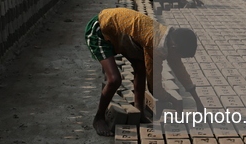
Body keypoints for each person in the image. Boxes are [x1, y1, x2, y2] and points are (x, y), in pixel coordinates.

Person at [84, 8, 203, 136]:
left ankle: (139, 111)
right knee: (115, 79)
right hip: (100, 29)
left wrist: (198, 101)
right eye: (180, 56)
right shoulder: (156, 46)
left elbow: (181, 71)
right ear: (175, 48)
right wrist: (171, 99)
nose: (178, 59)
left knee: (140, 70)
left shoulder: (169, 40)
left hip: (125, 36)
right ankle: (99, 118)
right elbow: (154, 87)